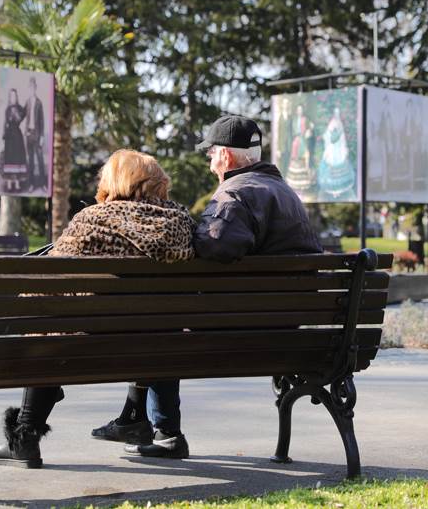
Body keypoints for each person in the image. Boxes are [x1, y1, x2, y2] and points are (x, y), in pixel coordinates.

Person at [103, 114, 322, 460]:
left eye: (211, 153)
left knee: (160, 318)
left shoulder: (236, 194)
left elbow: (213, 247)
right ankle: (150, 425)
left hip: (241, 331)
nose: (208, 161)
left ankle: (164, 430)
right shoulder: (285, 192)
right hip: (287, 329)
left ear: (227, 156)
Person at [0, 149, 197, 468]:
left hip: (90, 346)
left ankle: (26, 436)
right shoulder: (181, 223)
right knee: (158, 327)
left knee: (46, 326)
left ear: (114, 181)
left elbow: (46, 287)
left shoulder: (92, 220)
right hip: (160, 343)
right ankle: (163, 430)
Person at [1, 89, 27, 193]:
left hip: (17, 135)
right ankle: (9, 183)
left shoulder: (19, 108)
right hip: (9, 136)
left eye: (15, 96)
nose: (13, 98)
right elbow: (6, 122)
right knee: (9, 159)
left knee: (17, 159)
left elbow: (19, 119)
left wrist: (16, 113)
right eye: (11, 96)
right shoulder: (7, 109)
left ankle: (16, 183)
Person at [23, 76, 46, 190]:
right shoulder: (27, 102)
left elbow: (42, 120)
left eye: (33, 87)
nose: (31, 89)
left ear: (35, 88)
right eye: (30, 87)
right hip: (29, 134)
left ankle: (43, 184)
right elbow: (22, 115)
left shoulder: (39, 103)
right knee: (30, 161)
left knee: (40, 160)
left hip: (37, 134)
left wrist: (42, 136)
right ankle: (31, 184)